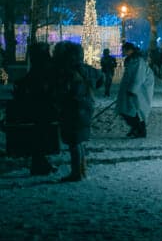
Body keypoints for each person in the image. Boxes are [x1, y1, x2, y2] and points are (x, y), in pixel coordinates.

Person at [53, 41, 102, 183]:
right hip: (86, 107)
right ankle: (82, 170)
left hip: (73, 109)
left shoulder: (67, 72)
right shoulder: (85, 69)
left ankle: (77, 173)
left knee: (74, 142)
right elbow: (101, 78)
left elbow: (64, 91)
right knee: (78, 141)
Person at [7, 42, 58, 175]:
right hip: (43, 106)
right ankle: (40, 163)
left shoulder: (43, 65)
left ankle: (39, 162)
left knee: (40, 134)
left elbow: (34, 80)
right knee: (41, 134)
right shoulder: (45, 64)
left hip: (41, 105)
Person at [116, 42, 155, 138]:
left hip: (139, 91)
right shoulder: (131, 61)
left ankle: (140, 130)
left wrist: (133, 89)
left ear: (130, 50)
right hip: (132, 90)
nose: (123, 52)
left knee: (137, 111)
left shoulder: (138, 61)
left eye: (125, 50)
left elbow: (139, 77)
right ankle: (135, 128)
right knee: (127, 110)